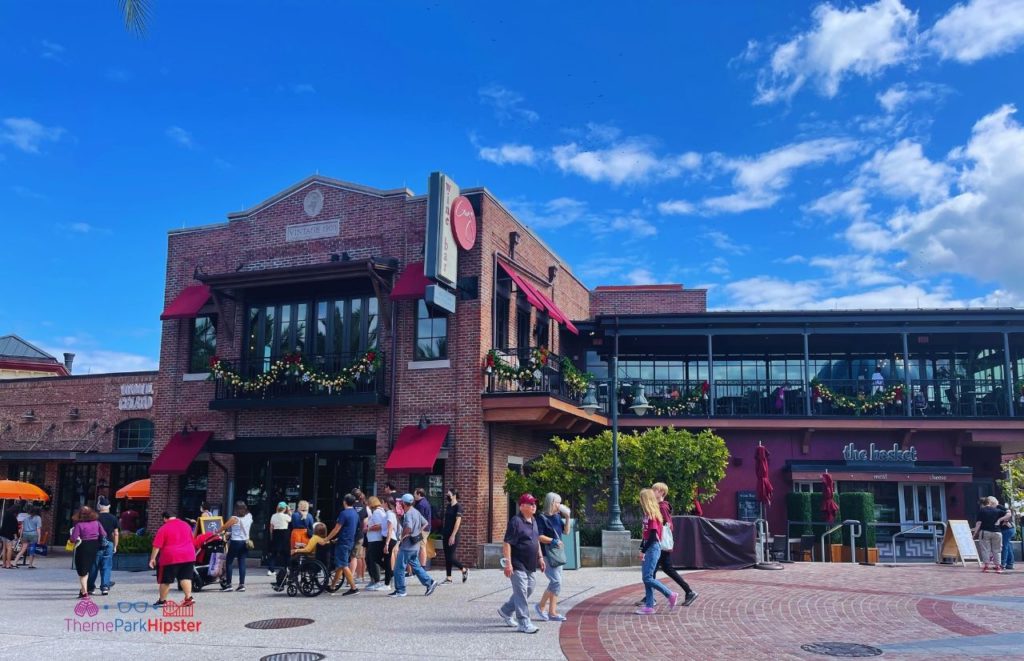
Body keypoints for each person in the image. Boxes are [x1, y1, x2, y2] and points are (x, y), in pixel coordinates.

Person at [499, 493, 544, 633]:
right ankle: (524, 622)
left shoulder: (534, 520)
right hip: (517, 563)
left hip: (530, 563)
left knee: (529, 587)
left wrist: (540, 558)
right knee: (521, 591)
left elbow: (536, 540)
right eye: (531, 504)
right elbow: (507, 543)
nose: (534, 506)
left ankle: (505, 611)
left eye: (534, 504)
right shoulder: (516, 521)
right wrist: (508, 563)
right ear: (522, 506)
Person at [650, 482, 698, 606]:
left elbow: (666, 525)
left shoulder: (661, 507)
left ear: (661, 492)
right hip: (661, 544)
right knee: (658, 570)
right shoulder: (662, 506)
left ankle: (689, 591)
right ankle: (650, 597)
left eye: (654, 490)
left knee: (654, 571)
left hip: (660, 544)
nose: (652, 491)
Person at [636, 488, 678, 615]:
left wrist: (643, 550)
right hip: (649, 548)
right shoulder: (648, 514)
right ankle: (649, 606)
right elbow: (646, 535)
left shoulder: (653, 515)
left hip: (653, 548)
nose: (640, 501)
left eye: (641, 499)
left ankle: (670, 594)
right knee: (646, 578)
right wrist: (641, 548)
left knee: (648, 577)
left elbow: (653, 536)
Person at [392, 493, 438, 598]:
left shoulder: (408, 514)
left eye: (401, 502)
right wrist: (418, 533)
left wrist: (401, 538)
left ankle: (400, 590)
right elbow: (425, 523)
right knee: (417, 567)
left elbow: (408, 527)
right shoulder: (416, 511)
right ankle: (430, 583)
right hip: (415, 545)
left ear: (404, 503)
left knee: (399, 568)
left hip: (407, 546)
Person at [535, 492, 569, 622]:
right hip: (547, 553)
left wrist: (567, 517)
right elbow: (539, 536)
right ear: (551, 503)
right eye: (557, 502)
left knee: (557, 584)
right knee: (556, 582)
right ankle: (540, 606)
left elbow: (566, 532)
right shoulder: (542, 518)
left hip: (557, 554)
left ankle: (552, 612)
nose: (559, 505)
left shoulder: (556, 517)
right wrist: (553, 541)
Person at [149, 512, 195, 607]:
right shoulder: (186, 525)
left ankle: (162, 601)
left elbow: (157, 545)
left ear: (165, 518)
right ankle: (188, 598)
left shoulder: (164, 528)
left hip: (171, 557)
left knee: (166, 580)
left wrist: (152, 558)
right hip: (188, 555)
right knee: (185, 577)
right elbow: (192, 539)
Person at [273, 522, 329, 591]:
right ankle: (288, 576)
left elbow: (308, 550)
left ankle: (284, 580)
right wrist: (302, 546)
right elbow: (312, 548)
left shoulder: (314, 538)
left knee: (291, 561)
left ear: (315, 530)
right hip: (319, 561)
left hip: (309, 561)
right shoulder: (325, 540)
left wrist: (296, 550)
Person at [323, 493, 360, 595]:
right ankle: (332, 586)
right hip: (350, 541)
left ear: (344, 502)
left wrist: (327, 539)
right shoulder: (355, 513)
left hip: (343, 542)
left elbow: (337, 528)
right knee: (340, 565)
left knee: (343, 565)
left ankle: (353, 588)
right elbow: (354, 528)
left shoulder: (344, 513)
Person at [70, 506, 107, 599]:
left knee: (82, 571)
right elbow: (104, 534)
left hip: (83, 546)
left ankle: (85, 593)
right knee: (88, 569)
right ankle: (83, 591)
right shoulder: (97, 523)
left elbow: (73, 539)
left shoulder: (79, 525)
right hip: (94, 546)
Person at [218, 501, 253, 592]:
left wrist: (217, 532)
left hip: (236, 541)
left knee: (229, 561)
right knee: (242, 562)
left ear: (236, 509)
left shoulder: (234, 518)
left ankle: (229, 584)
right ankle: (242, 585)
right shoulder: (249, 516)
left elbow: (223, 527)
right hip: (245, 541)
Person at [88, 498, 119, 596]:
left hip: (96, 544)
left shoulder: (94, 517)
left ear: (99, 507)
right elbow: (116, 533)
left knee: (94, 566)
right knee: (106, 566)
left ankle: (91, 587)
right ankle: (105, 587)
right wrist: (115, 545)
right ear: (109, 506)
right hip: (108, 543)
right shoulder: (113, 518)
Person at [973, 496, 1011, 573]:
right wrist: (1000, 520)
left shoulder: (982, 511)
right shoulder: (998, 510)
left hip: (985, 532)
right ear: (991, 502)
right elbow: (1009, 514)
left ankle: (986, 566)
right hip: (997, 532)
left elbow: (979, 523)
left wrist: (974, 534)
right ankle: (998, 567)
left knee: (985, 549)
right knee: (997, 550)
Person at [441, 488, 469, 584]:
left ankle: (464, 569)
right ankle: (449, 578)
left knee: (450, 557)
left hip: (453, 535)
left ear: (454, 495)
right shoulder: (448, 506)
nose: (447, 496)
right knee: (447, 556)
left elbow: (458, 522)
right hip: (446, 533)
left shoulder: (458, 507)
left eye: (449, 494)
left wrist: (453, 535)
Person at [350, 488, 368, 584]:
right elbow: (365, 523)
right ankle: (360, 576)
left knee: (351, 557)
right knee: (359, 556)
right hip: (360, 534)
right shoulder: (363, 506)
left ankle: (350, 578)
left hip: (350, 533)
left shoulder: (350, 506)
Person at [268, 502, 291, 576]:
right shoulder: (286, 516)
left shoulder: (273, 516)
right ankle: (286, 568)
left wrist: (271, 536)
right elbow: (290, 519)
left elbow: (271, 527)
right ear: (285, 509)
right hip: (284, 534)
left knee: (273, 553)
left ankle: (271, 570)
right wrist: (289, 511)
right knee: (286, 553)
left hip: (276, 533)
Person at [414, 488, 433, 569]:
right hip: (426, 529)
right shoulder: (425, 502)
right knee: (421, 546)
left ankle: (423, 566)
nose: (414, 495)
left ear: (419, 494)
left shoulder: (421, 505)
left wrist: (419, 530)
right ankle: (421, 566)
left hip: (422, 529)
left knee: (422, 547)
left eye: (415, 494)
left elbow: (420, 519)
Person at [383, 495, 399, 588]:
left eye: (382, 502)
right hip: (391, 538)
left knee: (387, 561)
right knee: (387, 560)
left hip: (390, 538)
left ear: (386, 503)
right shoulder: (392, 513)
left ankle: (387, 583)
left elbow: (390, 529)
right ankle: (390, 577)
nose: (381, 504)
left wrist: (387, 543)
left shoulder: (389, 514)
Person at [0, 503, 20, 569]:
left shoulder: (6, 514)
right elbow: (15, 527)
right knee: (9, 549)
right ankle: (8, 564)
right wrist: (17, 535)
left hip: (3, 533)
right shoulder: (13, 517)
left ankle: (3, 564)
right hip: (9, 535)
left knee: (4, 548)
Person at [1001, 503, 1017, 571]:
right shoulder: (1006, 510)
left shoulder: (1001, 509)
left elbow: (1008, 515)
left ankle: (1003, 563)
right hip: (1010, 529)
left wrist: (1005, 521)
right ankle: (1010, 563)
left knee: (1005, 546)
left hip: (1007, 530)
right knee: (1008, 545)